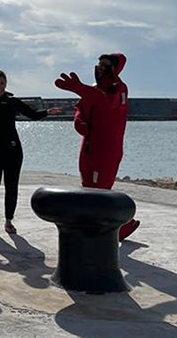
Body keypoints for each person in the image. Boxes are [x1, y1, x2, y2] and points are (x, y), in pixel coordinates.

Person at [55, 53, 139, 240]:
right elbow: (81, 108)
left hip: (106, 151)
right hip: (88, 148)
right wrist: (79, 120)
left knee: (101, 193)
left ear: (114, 68)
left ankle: (119, 227)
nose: (100, 67)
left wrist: (79, 88)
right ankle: (109, 227)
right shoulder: (92, 89)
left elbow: (106, 102)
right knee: (87, 188)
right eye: (99, 63)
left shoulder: (120, 89)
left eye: (105, 64)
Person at [0, 70, 61, 234]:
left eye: (2, 83)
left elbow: (33, 115)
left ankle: (9, 221)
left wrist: (47, 112)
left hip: (13, 150)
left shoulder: (13, 102)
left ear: (6, 84)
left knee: (11, 187)